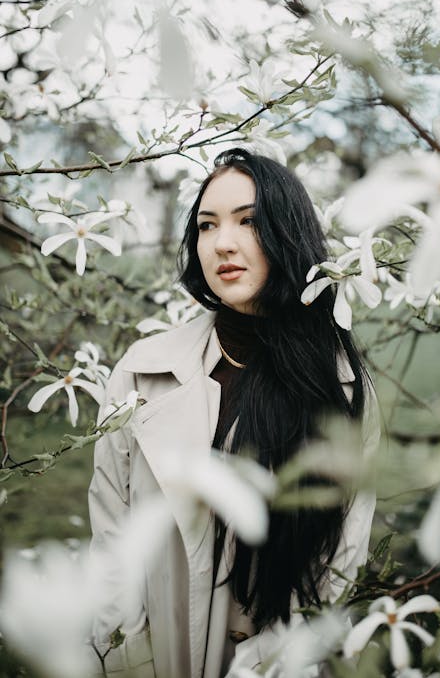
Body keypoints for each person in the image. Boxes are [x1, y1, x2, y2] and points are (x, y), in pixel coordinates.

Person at [87, 148, 379, 678]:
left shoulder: (340, 389)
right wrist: (126, 657)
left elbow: (340, 562)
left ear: (289, 235)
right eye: (206, 225)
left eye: (250, 222)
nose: (223, 242)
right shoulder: (141, 372)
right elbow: (111, 543)